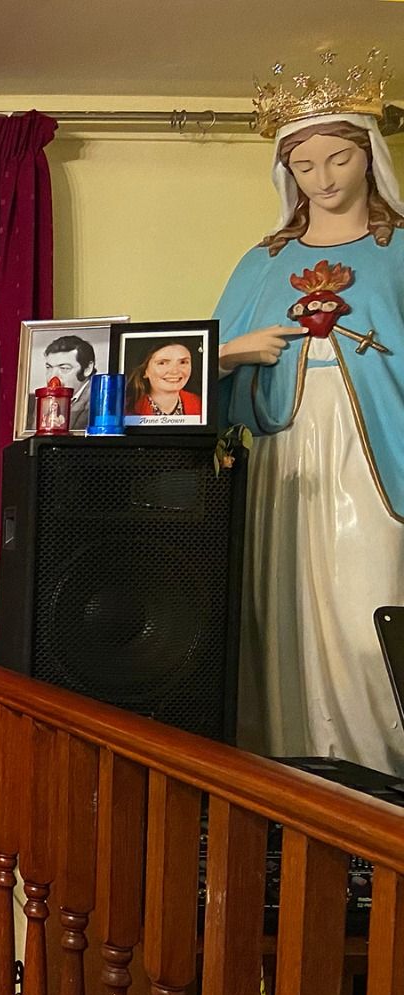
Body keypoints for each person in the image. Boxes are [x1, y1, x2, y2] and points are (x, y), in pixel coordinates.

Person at [214, 82, 404, 773]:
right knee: (285, 614)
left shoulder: (401, 250)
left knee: (369, 611)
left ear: (370, 157)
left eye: (338, 159)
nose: (323, 178)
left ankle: (379, 778)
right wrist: (236, 352)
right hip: (286, 459)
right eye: (304, 165)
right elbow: (195, 363)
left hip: (377, 452)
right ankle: (295, 773)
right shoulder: (261, 263)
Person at [123, 339, 203, 419]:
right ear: (145, 371)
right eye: (162, 363)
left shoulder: (201, 404)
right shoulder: (124, 409)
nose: (175, 371)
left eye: (183, 362)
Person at [43, 335, 98, 430]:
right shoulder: (44, 400)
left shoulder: (97, 402)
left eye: (64, 368)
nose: (52, 377)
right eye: (49, 367)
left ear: (88, 369)